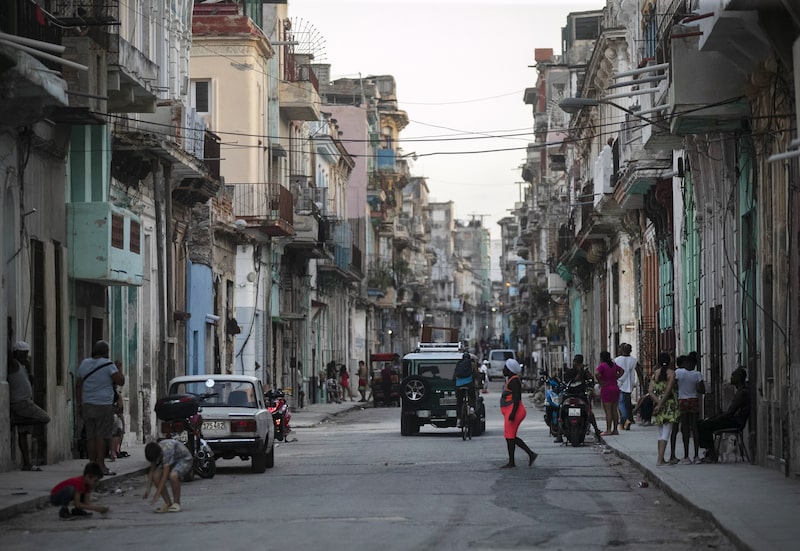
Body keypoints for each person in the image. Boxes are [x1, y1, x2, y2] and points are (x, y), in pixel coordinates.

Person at [77, 340, 125, 476]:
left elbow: (78, 384)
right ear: (106, 352)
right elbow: (120, 381)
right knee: (102, 436)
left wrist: (79, 404)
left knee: (90, 436)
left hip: (87, 404)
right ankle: (101, 466)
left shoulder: (84, 364)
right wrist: (118, 367)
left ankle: (92, 466)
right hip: (103, 405)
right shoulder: (109, 365)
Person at [8, 340, 51, 471]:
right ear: (16, 353)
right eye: (23, 354)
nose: (25, 356)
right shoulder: (14, 364)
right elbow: (9, 356)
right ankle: (16, 421)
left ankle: (27, 463)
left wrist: (29, 369)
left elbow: (29, 382)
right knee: (45, 418)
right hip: (22, 403)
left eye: (26, 354)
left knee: (23, 434)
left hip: (25, 402)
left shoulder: (22, 366)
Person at [698, 367, 750, 463]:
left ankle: (712, 454)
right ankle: (709, 451)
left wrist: (715, 419)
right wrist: (714, 418)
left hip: (736, 422)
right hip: (733, 419)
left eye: (733, 376)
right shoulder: (740, 391)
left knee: (706, 424)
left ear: (738, 378)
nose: (731, 378)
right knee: (702, 422)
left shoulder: (742, 393)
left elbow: (730, 413)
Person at [555, 354, 602, 442]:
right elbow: (567, 379)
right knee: (561, 410)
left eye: (578, 362)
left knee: (589, 412)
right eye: (575, 362)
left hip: (581, 395)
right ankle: (559, 435)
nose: (576, 364)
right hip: (569, 394)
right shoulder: (569, 371)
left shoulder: (584, 372)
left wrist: (585, 372)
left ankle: (596, 431)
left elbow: (591, 379)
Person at [499, 359, 537, 468]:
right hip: (511, 410)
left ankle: (513, 462)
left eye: (505, 368)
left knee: (510, 437)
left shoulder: (514, 381)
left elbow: (517, 398)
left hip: (514, 410)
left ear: (510, 370)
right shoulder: (511, 379)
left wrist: (513, 413)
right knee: (510, 437)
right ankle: (530, 454)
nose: (503, 369)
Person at [143, 439, 193, 513]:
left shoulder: (167, 451)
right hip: (170, 460)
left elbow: (165, 476)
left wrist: (157, 494)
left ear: (159, 454)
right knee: (156, 476)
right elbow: (152, 470)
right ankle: (168, 503)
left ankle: (176, 503)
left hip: (183, 459)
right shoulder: (154, 451)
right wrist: (148, 490)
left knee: (173, 476)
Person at [649, 352, 680, 466]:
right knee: (666, 433)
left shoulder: (655, 374)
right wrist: (662, 403)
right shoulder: (671, 373)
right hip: (669, 405)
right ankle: (660, 460)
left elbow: (650, 391)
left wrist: (658, 402)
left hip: (658, 405)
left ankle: (660, 458)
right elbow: (668, 390)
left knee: (660, 433)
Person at [675, 352, 704, 464]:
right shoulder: (697, 374)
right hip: (694, 400)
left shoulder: (679, 372)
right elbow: (702, 390)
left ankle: (686, 456)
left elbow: (674, 383)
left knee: (685, 428)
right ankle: (696, 455)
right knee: (694, 427)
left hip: (682, 400)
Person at [596, 351, 624, 436]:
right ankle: (615, 429)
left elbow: (596, 373)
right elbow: (622, 370)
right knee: (614, 410)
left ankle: (608, 429)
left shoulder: (602, 366)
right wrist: (616, 377)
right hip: (615, 387)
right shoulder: (614, 365)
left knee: (608, 411)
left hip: (606, 388)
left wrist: (600, 381)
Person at [614, 343, 639, 430]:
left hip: (619, 384)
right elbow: (639, 372)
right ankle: (624, 421)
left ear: (622, 350)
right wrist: (642, 384)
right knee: (626, 403)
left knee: (621, 403)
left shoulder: (617, 360)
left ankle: (626, 419)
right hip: (629, 385)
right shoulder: (634, 360)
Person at [453, 352, 476, 427]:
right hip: (469, 384)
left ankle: (459, 420)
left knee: (459, 402)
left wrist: (454, 384)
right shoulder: (472, 364)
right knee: (472, 397)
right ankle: (472, 408)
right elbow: (476, 374)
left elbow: (454, 375)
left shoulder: (458, 364)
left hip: (459, 385)